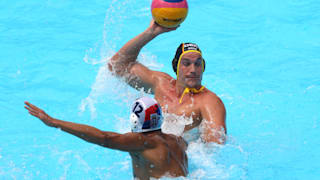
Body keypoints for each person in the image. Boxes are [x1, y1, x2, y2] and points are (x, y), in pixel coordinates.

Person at [108, 20, 226, 144]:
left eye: (198, 64)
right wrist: (151, 33)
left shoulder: (209, 102)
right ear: (176, 66)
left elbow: (214, 149)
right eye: (186, 64)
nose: (193, 70)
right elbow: (117, 66)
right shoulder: (160, 84)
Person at [24, 97, 188, 179]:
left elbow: (104, 137)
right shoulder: (177, 141)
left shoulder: (143, 142)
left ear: (135, 119)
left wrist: (53, 122)